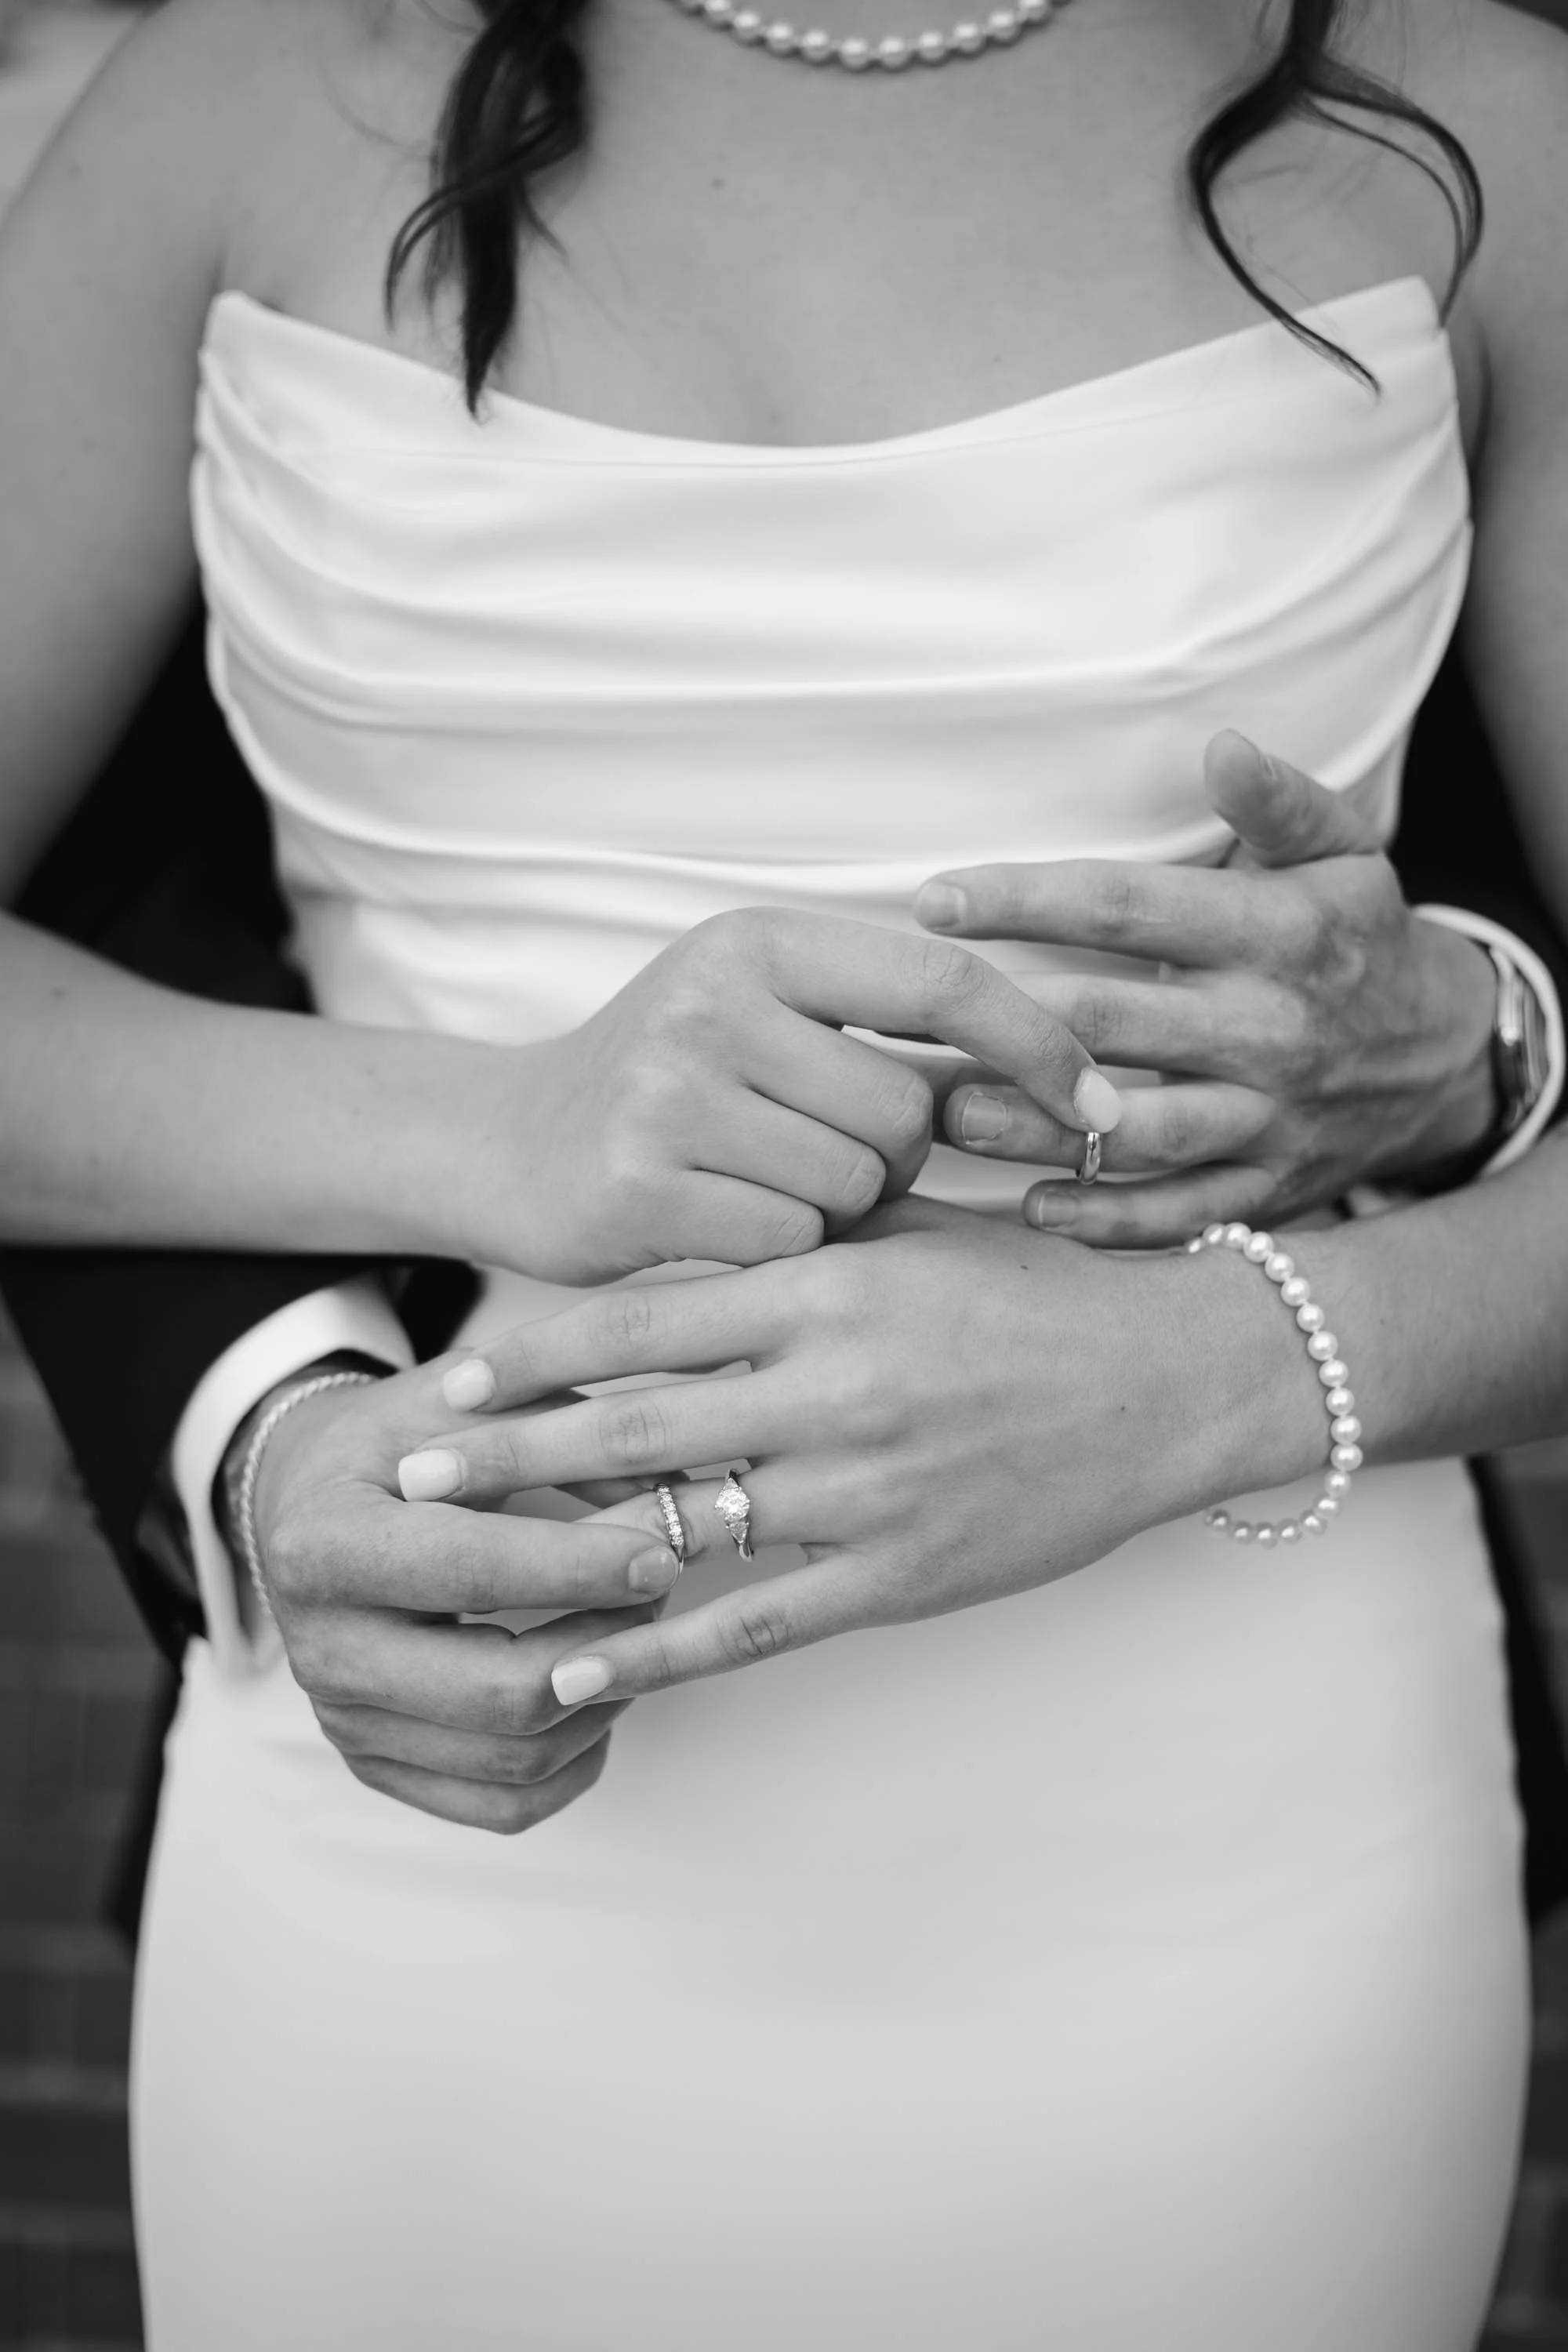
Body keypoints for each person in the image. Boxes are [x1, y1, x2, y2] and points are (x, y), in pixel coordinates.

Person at [1, 0, 1566, 2341]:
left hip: (1233, 1824)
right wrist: (493, 1130)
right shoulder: (239, 97)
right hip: (451, 1769)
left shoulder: (1476, 119)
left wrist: (1225, 1372)